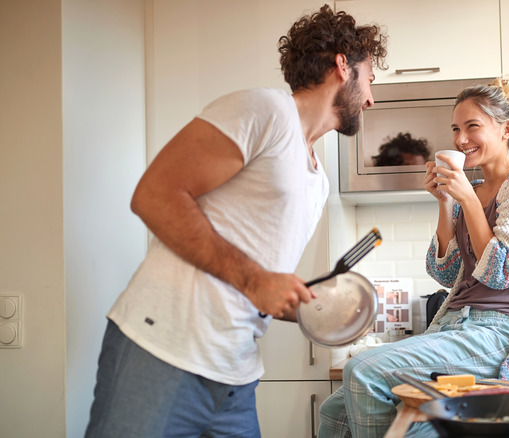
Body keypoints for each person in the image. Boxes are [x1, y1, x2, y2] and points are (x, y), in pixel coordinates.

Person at [84, 5, 387, 438]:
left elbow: (261, 280)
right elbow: (154, 195)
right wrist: (255, 281)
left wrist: (320, 306)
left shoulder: (317, 180)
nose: (372, 98)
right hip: (163, 350)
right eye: (371, 79)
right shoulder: (264, 110)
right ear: (343, 65)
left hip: (235, 378)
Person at [318, 76, 509, 437]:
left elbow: (501, 273)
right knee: (333, 411)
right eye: (455, 129)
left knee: (363, 370)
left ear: (506, 129)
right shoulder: (472, 190)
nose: (460, 139)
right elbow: (445, 272)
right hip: (454, 325)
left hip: (497, 332)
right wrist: (447, 202)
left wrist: (464, 198)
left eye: (472, 127)